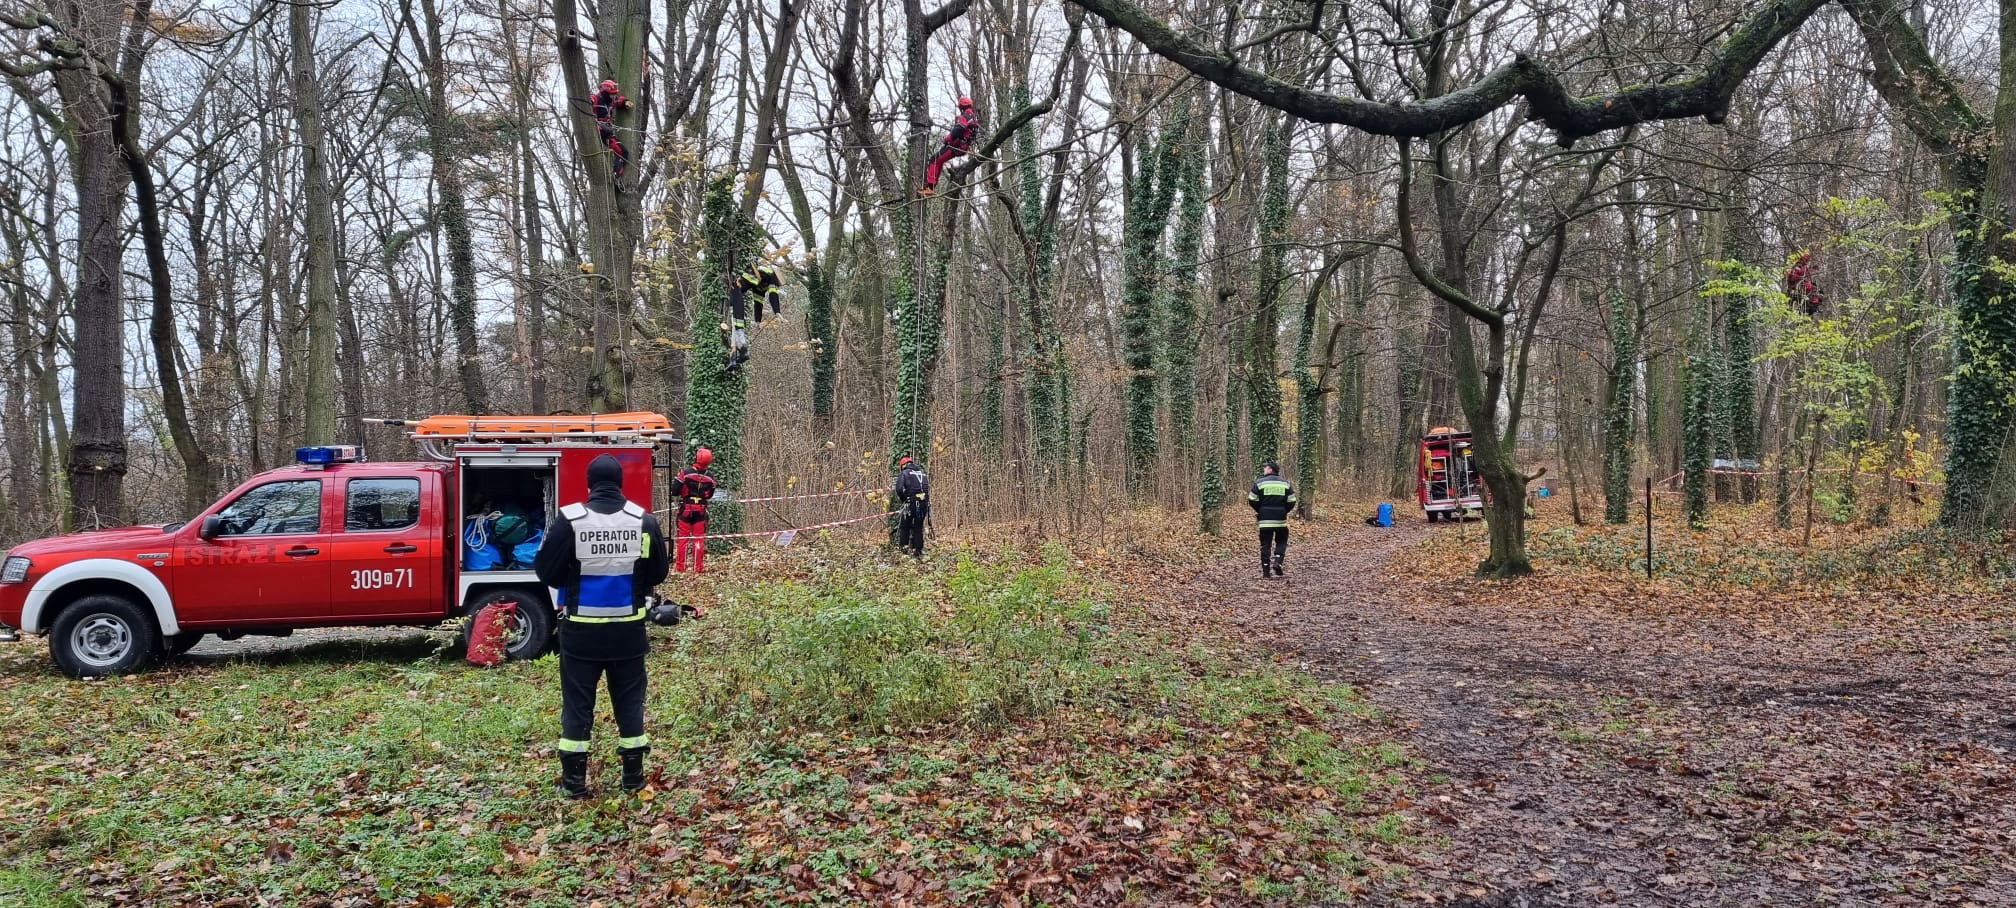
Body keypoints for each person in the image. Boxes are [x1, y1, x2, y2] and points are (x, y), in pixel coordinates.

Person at [532, 454, 669, 798]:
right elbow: (658, 572)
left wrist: (572, 576)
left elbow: (546, 572)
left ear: (589, 484)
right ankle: (633, 779)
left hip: (580, 636)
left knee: (578, 706)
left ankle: (574, 783)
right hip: (628, 634)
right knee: (630, 704)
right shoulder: (643, 521)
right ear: (620, 483)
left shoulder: (570, 520)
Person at [920, 96, 978, 195]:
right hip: (962, 147)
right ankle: (932, 186)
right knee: (939, 160)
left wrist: (948, 139)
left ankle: (930, 188)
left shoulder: (965, 116)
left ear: (961, 107)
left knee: (934, 160)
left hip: (957, 146)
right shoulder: (972, 117)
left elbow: (959, 129)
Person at [1248, 461, 1297, 578]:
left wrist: (1260, 509)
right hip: (1280, 519)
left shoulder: (1259, 483)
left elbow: (1252, 499)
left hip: (1265, 520)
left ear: (1270, 469)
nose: (1264, 469)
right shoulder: (1285, 483)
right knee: (1282, 540)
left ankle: (1266, 572)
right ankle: (1278, 561)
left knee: (1265, 545)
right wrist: (1284, 510)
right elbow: (1292, 500)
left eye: (1265, 468)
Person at [672, 447, 717, 573]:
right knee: (699, 540)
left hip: (686, 509)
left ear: (696, 458)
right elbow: (709, 495)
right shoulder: (711, 478)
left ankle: (681, 568)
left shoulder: (685, 473)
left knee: (683, 539)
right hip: (701, 511)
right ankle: (698, 568)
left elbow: (674, 491)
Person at [591, 80, 632, 183]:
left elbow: (618, 100)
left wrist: (625, 102)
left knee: (623, 152)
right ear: (605, 93)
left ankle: (616, 177)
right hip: (597, 132)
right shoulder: (596, 99)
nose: (613, 96)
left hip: (608, 134)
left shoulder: (611, 101)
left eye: (614, 94)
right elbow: (589, 101)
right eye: (611, 94)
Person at [893, 455, 930, 558]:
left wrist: (903, 498)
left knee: (905, 527)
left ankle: (904, 550)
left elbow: (899, 489)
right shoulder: (922, 473)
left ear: (903, 465)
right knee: (918, 527)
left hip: (911, 503)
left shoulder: (904, 473)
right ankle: (918, 551)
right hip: (923, 503)